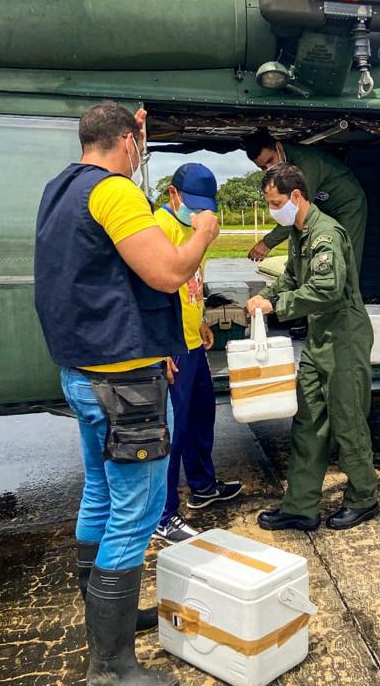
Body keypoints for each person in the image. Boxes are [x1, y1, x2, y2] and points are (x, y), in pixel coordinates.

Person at [34, 101, 218, 686]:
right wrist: (205, 234)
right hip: (122, 386)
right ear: (127, 142)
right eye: (140, 141)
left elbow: (105, 283)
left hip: (85, 373)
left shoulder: (60, 189)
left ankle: (104, 623)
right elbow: (165, 272)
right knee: (134, 513)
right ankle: (110, 666)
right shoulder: (113, 192)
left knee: (100, 494)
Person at [244, 162, 379, 532]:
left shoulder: (325, 234)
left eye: (275, 203)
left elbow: (327, 289)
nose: (273, 210)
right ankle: (301, 506)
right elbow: (290, 276)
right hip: (320, 337)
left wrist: (277, 306)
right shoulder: (299, 234)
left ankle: (364, 498)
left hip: (345, 339)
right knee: (307, 422)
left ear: (296, 196)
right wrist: (265, 296)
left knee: (348, 423)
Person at [152, 163, 243, 544]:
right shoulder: (158, 229)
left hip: (192, 339)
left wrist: (202, 318)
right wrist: (160, 347)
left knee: (202, 416)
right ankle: (163, 513)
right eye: (192, 204)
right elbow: (151, 293)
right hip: (171, 346)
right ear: (173, 195)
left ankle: (203, 486)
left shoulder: (197, 228)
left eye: (206, 206)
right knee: (171, 431)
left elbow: (192, 284)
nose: (200, 213)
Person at [243, 128, 368, 271]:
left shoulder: (304, 163)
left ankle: (348, 294)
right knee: (319, 259)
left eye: (270, 160)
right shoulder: (284, 169)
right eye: (263, 167)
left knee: (344, 261)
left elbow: (296, 211)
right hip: (323, 209)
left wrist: (267, 243)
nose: (269, 168)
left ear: (278, 147)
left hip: (348, 206)